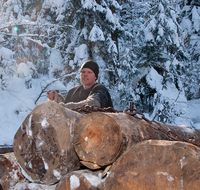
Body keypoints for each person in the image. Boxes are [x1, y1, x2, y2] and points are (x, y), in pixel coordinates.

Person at [47, 60, 113, 109]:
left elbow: (92, 103)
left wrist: (62, 107)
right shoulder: (73, 91)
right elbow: (65, 105)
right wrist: (57, 99)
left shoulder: (101, 90)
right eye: (83, 72)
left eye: (89, 72)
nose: (85, 74)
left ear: (95, 76)